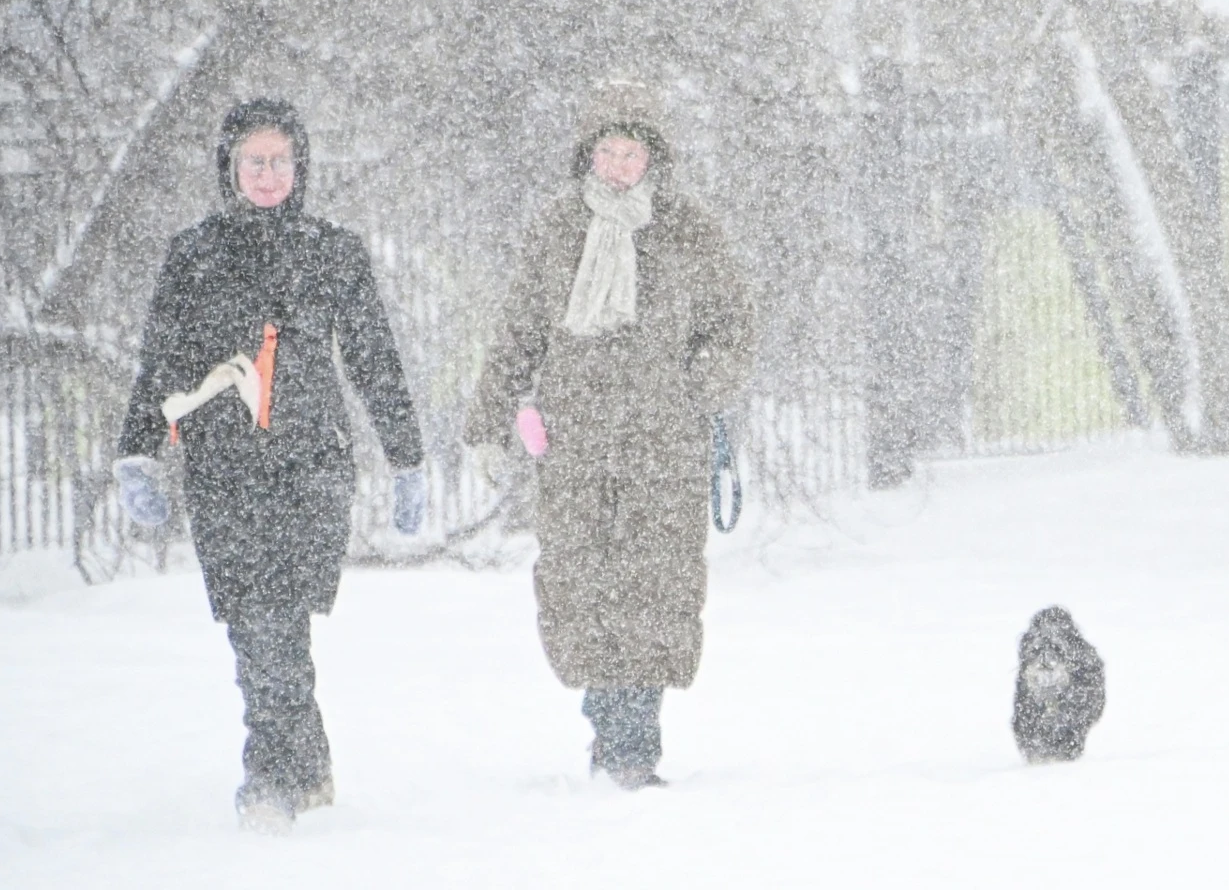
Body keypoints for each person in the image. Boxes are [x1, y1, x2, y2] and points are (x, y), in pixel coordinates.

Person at [112, 98, 426, 831]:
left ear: (300, 166)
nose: (267, 173)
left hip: (311, 464)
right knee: (255, 624)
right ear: (229, 166)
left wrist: (406, 456)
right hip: (224, 467)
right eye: (253, 160)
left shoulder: (333, 251)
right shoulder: (194, 254)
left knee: (278, 620)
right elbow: (163, 358)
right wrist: (137, 449)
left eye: (280, 160)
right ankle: (298, 768)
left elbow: (375, 358)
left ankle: (273, 776)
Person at [466, 80, 754, 790]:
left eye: (632, 152)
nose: (620, 164)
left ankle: (632, 746)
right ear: (588, 156)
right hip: (575, 440)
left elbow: (735, 325)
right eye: (608, 151)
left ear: (653, 158)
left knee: (656, 587)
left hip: (665, 441)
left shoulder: (689, 230)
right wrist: (488, 419)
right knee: (583, 587)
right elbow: (519, 329)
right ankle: (610, 720)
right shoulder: (557, 229)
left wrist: (696, 389)